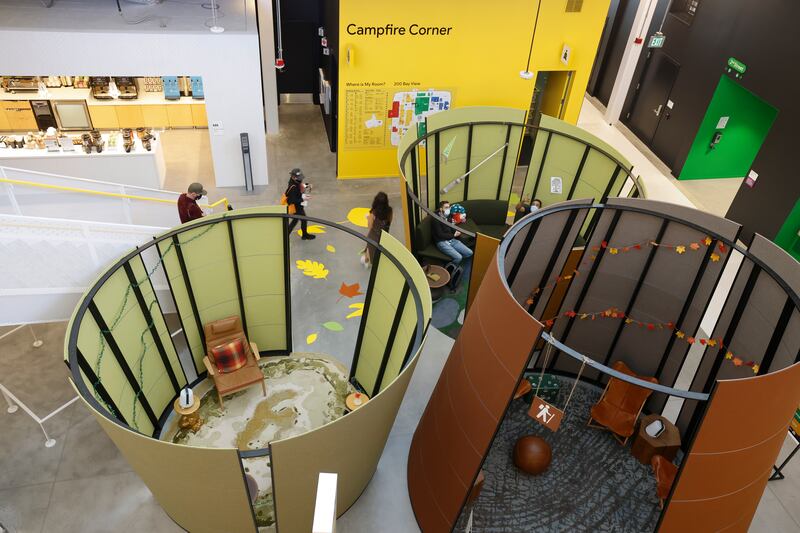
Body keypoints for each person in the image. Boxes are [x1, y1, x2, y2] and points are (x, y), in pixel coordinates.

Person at [432, 201, 473, 265]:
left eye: (449, 207)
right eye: (446, 207)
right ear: (441, 209)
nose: (448, 209)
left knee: (469, 253)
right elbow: (440, 234)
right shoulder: (436, 219)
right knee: (459, 257)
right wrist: (453, 235)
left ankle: (454, 263)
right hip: (441, 242)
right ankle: (449, 269)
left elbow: (451, 227)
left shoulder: (448, 216)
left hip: (451, 240)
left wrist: (455, 231)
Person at [362, 192, 393, 266]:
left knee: (371, 251)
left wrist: (368, 218)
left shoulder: (373, 213)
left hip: (374, 237)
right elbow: (389, 222)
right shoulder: (389, 210)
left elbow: (369, 226)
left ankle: (367, 261)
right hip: (384, 236)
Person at [285, 168, 315, 240]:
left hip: (298, 206)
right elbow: (292, 200)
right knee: (303, 220)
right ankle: (304, 235)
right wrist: (303, 199)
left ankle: (286, 236)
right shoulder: (293, 188)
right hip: (296, 208)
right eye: (299, 178)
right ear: (294, 177)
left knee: (296, 220)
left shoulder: (295, 182)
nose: (300, 180)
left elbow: (300, 185)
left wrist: (307, 185)